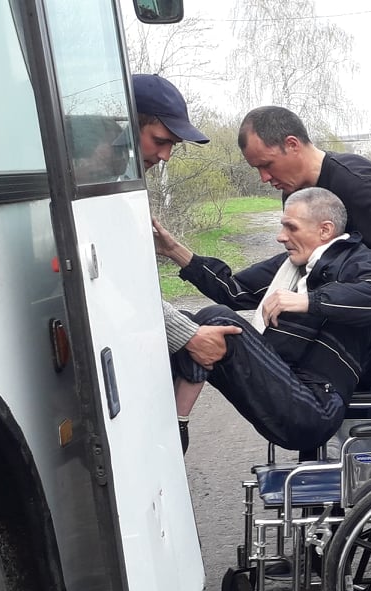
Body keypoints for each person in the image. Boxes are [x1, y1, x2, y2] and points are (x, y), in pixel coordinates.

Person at [151, 188, 371, 451]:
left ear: (325, 230)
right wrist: (173, 251)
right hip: (284, 384)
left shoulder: (360, 261)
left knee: (219, 321)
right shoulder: (290, 265)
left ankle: (175, 430)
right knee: (190, 325)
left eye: (290, 227)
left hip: (316, 407)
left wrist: (309, 301)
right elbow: (232, 290)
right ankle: (166, 421)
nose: (281, 237)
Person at [237, 105, 371, 393]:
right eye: (257, 168)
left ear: (292, 144)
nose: (263, 177)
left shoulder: (352, 181)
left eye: (267, 164)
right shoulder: (296, 192)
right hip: (360, 326)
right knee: (346, 420)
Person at [130, 73, 227, 451]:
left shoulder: (128, 180)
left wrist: (171, 249)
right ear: (127, 125)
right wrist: (186, 334)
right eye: (160, 140)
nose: (166, 155)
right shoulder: (87, 180)